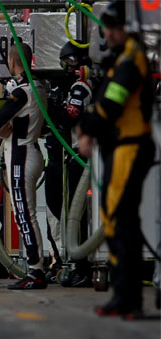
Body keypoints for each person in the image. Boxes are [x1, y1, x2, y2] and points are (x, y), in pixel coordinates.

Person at [78, 0, 156, 317]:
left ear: (129, 29)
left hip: (131, 147)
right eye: (106, 27)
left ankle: (129, 298)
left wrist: (87, 127)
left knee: (119, 220)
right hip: (120, 148)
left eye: (114, 27)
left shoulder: (130, 62)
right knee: (117, 220)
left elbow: (110, 105)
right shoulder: (121, 60)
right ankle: (124, 297)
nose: (108, 33)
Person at [0, 43, 48, 289]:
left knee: (24, 214)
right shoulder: (40, 87)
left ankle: (35, 271)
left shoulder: (22, 91)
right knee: (26, 213)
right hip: (31, 149)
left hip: (20, 155)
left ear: (12, 62)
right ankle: (35, 267)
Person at [43, 42, 97, 287]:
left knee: (78, 215)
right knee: (61, 211)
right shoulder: (68, 87)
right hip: (65, 157)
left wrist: (48, 106)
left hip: (78, 157)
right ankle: (68, 262)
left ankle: (82, 265)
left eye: (67, 62)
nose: (64, 67)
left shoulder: (81, 87)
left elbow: (69, 116)